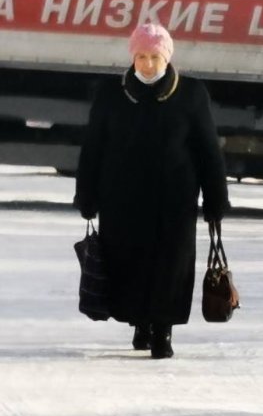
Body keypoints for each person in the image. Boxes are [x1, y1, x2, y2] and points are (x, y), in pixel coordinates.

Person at [74, 23, 230, 359]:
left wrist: (215, 199)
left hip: (173, 201)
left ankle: (163, 329)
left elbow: (208, 150)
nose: (147, 64)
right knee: (127, 264)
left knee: (169, 268)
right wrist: (86, 195)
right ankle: (139, 324)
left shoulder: (190, 94)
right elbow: (93, 148)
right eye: (141, 56)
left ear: (167, 57)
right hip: (122, 200)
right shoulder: (111, 93)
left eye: (154, 57)